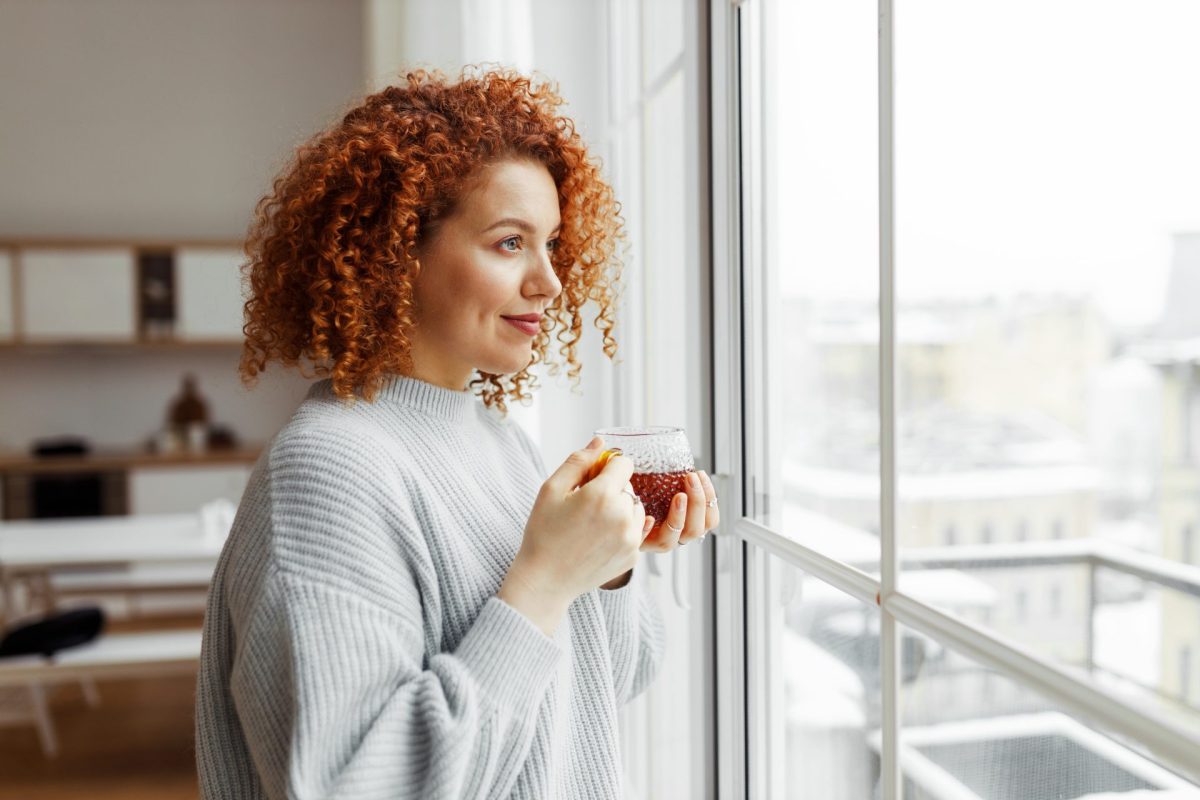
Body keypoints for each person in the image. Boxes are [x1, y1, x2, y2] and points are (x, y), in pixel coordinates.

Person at [194, 66, 721, 800]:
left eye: (553, 245)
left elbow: (604, 686)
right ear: (395, 251)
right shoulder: (327, 473)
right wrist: (540, 581)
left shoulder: (501, 443)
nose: (552, 282)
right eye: (510, 243)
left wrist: (607, 564)